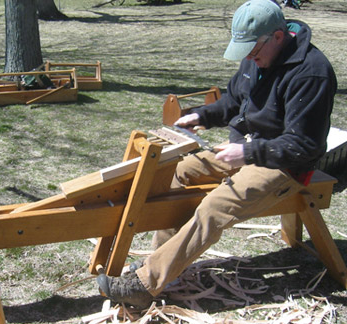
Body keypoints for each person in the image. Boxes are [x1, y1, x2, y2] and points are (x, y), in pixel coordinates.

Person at [96, 0, 337, 309]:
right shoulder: (257, 58)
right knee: (176, 172)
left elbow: (305, 145)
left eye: (253, 50)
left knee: (215, 206)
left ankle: (145, 284)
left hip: (285, 164)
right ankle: (164, 268)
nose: (249, 57)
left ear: (278, 36)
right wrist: (202, 116)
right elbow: (235, 101)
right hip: (243, 148)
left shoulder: (312, 73)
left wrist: (248, 151)